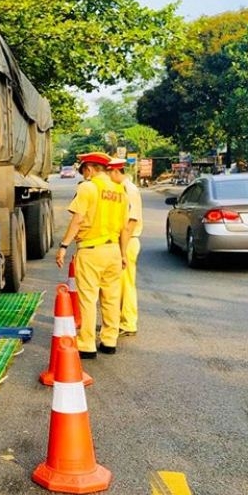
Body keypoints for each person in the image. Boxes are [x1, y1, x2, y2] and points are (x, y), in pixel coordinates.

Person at [54, 152, 130, 359]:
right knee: (111, 298)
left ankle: (87, 344)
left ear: (89, 168)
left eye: (84, 171)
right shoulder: (120, 191)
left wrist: (63, 246)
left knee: (88, 298)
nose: (84, 175)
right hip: (114, 250)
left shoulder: (88, 187)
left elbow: (78, 220)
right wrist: (123, 254)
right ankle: (109, 340)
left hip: (91, 250)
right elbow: (125, 228)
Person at [108, 157, 143, 337]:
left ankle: (128, 323)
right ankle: (121, 320)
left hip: (128, 241)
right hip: (125, 241)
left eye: (108, 173)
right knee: (121, 284)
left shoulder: (128, 189)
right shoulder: (124, 188)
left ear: (115, 171)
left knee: (125, 284)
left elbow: (130, 222)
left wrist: (121, 251)